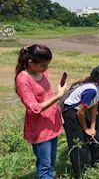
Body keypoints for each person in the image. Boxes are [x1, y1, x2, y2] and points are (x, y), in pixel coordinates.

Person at [15, 44, 67, 179]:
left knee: (51, 161)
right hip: (39, 128)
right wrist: (58, 96)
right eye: (44, 65)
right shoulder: (23, 79)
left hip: (52, 123)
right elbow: (34, 108)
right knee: (44, 164)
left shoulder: (40, 71)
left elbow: (44, 92)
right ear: (30, 63)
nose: (46, 69)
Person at [62, 70, 99, 178]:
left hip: (79, 113)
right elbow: (80, 112)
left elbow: (94, 107)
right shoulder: (91, 90)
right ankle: (79, 174)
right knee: (78, 144)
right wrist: (85, 129)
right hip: (71, 113)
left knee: (97, 138)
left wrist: (92, 127)